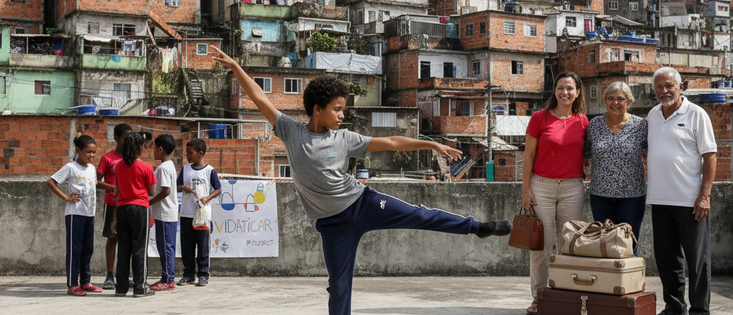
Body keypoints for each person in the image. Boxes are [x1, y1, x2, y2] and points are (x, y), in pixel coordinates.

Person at [210, 45, 512, 315]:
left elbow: (392, 142)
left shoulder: (346, 138)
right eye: (337, 109)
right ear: (318, 109)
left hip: (362, 204)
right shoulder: (291, 132)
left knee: (421, 215)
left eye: (344, 109)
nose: (342, 115)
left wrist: (431, 144)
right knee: (339, 287)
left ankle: (477, 227)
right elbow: (259, 97)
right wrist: (237, 67)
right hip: (332, 225)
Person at [647, 67, 716, 315]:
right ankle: (675, 308)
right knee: (668, 260)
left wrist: (704, 196)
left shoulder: (697, 114)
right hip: (659, 199)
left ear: (681, 87)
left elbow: (710, 156)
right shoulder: (652, 115)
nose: (664, 91)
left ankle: (700, 310)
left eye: (669, 86)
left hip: (690, 201)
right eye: (658, 87)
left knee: (697, 261)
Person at [521, 71, 588, 314]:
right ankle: (539, 297)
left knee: (568, 245)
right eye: (560, 88)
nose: (565, 92)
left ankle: (564, 296)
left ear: (577, 92)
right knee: (541, 246)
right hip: (541, 186)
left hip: (572, 187)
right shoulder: (539, 118)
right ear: (554, 91)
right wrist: (525, 190)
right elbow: (528, 156)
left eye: (570, 88)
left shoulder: (583, 121)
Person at [583, 81, 648, 256]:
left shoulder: (641, 126)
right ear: (605, 101)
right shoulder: (594, 125)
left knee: (628, 245)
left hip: (632, 196)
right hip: (601, 195)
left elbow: (654, 154)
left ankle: (629, 282)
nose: (615, 103)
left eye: (621, 99)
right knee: (605, 244)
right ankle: (608, 283)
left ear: (629, 101)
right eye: (610, 98)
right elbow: (585, 153)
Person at [46, 135, 109, 296]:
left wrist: (115, 187)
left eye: (94, 152)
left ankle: (85, 282)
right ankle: (72, 284)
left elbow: (95, 184)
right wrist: (67, 198)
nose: (91, 156)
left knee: (87, 249)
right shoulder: (71, 167)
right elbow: (51, 182)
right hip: (75, 214)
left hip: (89, 213)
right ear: (78, 150)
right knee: (75, 250)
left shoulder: (91, 169)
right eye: (88, 152)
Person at [114, 132, 157, 297]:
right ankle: (140, 287)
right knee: (140, 247)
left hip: (122, 207)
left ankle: (121, 287)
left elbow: (117, 190)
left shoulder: (118, 166)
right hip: (139, 207)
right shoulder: (146, 167)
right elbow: (152, 191)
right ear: (141, 149)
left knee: (124, 248)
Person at [177, 138, 221, 287]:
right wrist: (183, 188)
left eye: (190, 153)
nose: (187, 156)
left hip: (202, 215)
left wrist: (207, 197)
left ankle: (203, 274)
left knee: (203, 246)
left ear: (200, 153)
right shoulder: (186, 169)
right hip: (186, 214)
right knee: (187, 246)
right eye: (186, 153)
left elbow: (218, 189)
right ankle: (188, 274)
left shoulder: (209, 171)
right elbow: (176, 187)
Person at [96, 123, 132, 289]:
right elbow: (95, 181)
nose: (128, 140)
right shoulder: (107, 158)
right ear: (116, 138)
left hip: (130, 204)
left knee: (128, 241)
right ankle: (109, 276)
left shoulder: (132, 158)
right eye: (126, 137)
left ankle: (123, 275)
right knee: (112, 238)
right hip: (112, 203)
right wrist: (114, 188)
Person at [148, 134, 179, 291]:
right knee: (164, 247)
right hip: (165, 214)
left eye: (154, 148)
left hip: (166, 214)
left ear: (160, 149)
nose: (152, 151)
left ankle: (168, 279)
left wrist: (149, 202)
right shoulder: (168, 166)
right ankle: (165, 276)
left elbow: (166, 191)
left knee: (166, 247)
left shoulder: (163, 168)